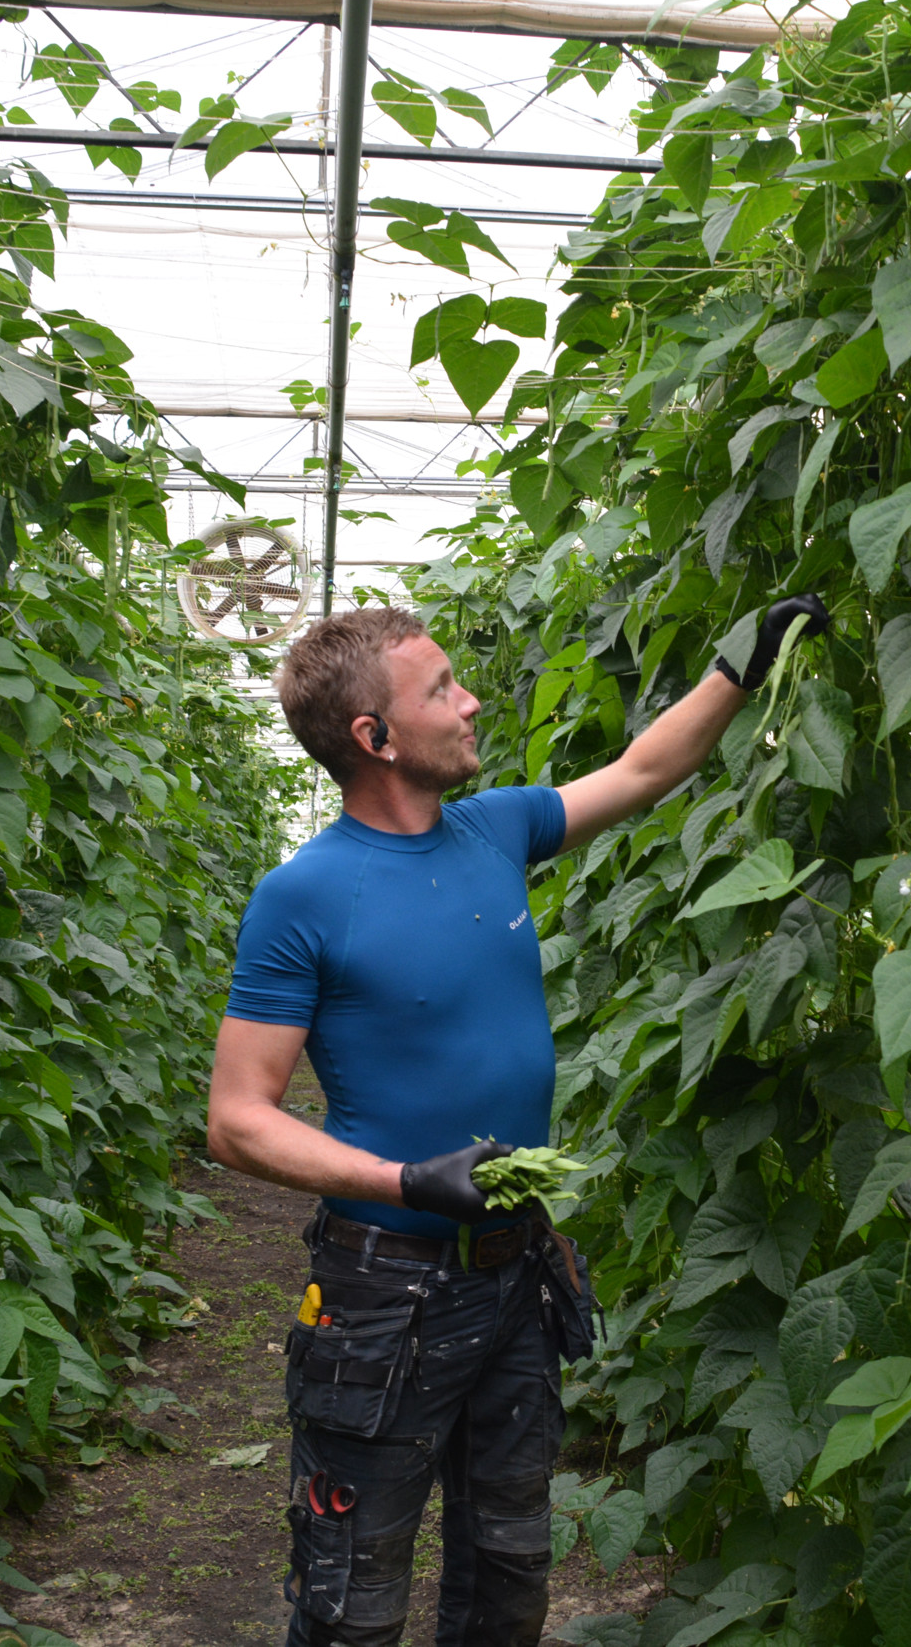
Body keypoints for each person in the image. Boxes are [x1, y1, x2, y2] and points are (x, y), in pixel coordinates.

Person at [207, 594, 829, 1647]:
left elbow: (641, 771)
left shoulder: (494, 831)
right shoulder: (303, 894)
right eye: (441, 688)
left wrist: (743, 661)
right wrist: (406, 1181)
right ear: (375, 737)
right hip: (382, 1294)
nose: (471, 700)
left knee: (508, 1579)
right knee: (352, 1595)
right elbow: (236, 1119)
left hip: (510, 1273)